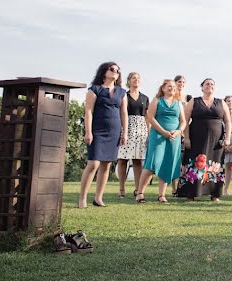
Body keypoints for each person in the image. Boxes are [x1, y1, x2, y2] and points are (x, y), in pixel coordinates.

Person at [79, 62, 128, 208]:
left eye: (118, 70)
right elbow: (88, 111)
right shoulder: (94, 89)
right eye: (112, 69)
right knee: (93, 163)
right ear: (104, 71)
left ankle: (98, 198)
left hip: (114, 131)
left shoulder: (122, 92)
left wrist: (124, 132)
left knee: (107, 165)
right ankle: (82, 199)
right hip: (97, 131)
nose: (115, 72)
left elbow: (123, 113)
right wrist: (88, 132)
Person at [178, 78, 231, 202]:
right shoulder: (194, 101)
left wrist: (227, 138)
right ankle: (191, 195)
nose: (210, 86)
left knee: (215, 165)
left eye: (212, 84)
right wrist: (186, 138)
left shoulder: (221, 102)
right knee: (194, 164)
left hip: (216, 142)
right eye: (207, 84)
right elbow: (185, 120)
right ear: (202, 87)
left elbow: (227, 121)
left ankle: (214, 195)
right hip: (196, 139)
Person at [136, 79, 185, 203]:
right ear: (163, 88)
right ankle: (140, 193)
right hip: (158, 136)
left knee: (167, 164)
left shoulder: (178, 103)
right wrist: (163, 132)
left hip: (174, 138)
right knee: (152, 163)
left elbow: (183, 121)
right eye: (169, 86)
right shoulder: (157, 100)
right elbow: (150, 118)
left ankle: (161, 195)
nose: (172, 88)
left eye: (174, 87)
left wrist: (179, 131)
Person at [117, 72, 148, 199]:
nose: (136, 80)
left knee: (137, 160)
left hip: (141, 129)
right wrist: (122, 130)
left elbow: (147, 116)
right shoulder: (123, 95)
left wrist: (149, 133)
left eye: (138, 78)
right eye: (133, 78)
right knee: (122, 159)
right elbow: (121, 112)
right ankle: (121, 189)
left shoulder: (145, 97)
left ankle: (137, 189)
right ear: (128, 81)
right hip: (127, 127)